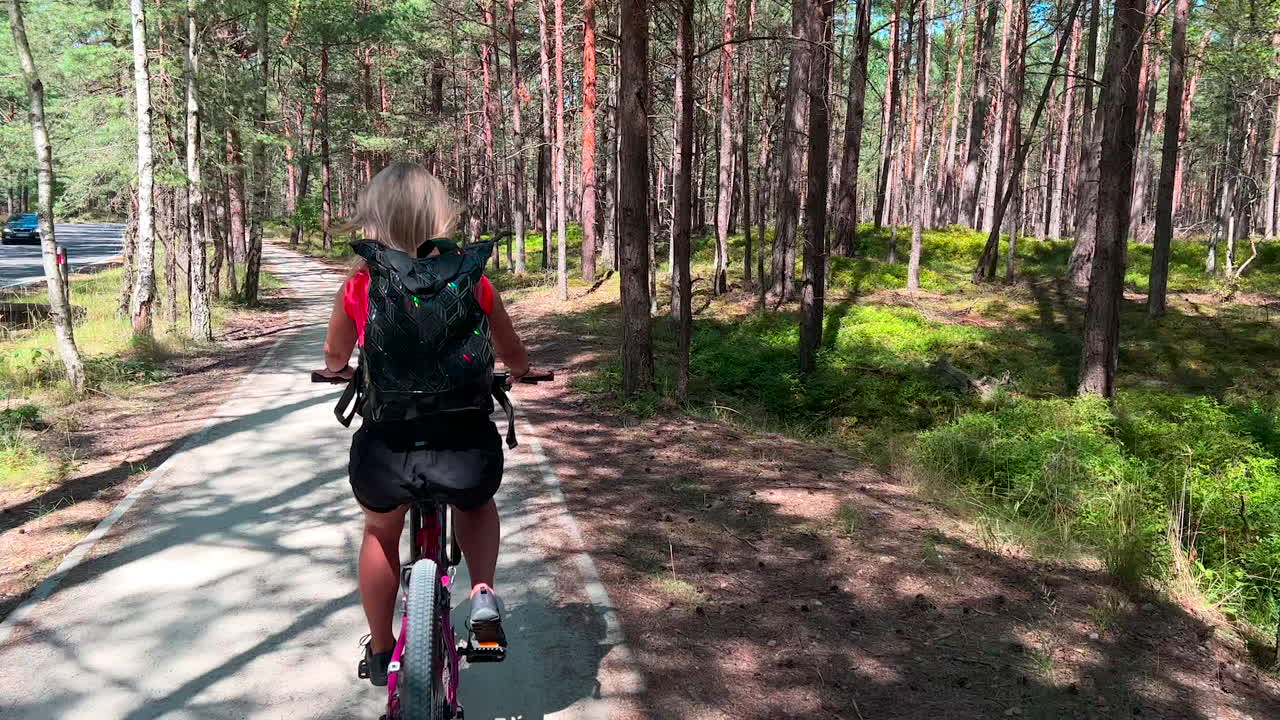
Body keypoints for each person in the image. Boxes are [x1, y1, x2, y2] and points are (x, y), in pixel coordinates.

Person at [317, 161, 531, 687]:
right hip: (465, 447)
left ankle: (382, 646)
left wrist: (339, 369)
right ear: (437, 216)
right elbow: (514, 356)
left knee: (380, 530)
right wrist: (521, 371)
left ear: (374, 219)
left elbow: (334, 354)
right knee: (475, 505)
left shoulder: (360, 287)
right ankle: (482, 592)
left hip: (387, 450)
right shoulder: (473, 281)